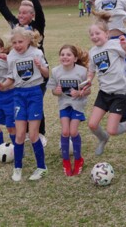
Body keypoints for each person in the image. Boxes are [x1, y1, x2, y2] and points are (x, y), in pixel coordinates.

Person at [0, 0, 48, 143]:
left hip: (38, 69)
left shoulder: (37, 26)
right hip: (19, 69)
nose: (20, 15)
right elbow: (2, 7)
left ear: (32, 15)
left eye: (25, 13)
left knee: (36, 101)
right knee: (21, 100)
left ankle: (40, 134)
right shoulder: (14, 25)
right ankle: (25, 132)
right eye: (19, 12)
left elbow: (39, 10)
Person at [0, 27, 49, 181]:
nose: (17, 45)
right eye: (14, 42)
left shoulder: (36, 53)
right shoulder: (12, 56)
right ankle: (17, 168)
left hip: (34, 94)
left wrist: (40, 67)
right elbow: (11, 78)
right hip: (18, 94)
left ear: (28, 41)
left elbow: (47, 74)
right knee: (19, 135)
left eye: (20, 42)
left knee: (32, 134)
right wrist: (3, 85)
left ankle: (41, 167)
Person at [85, 11, 126, 156]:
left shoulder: (115, 44)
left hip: (119, 93)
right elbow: (92, 71)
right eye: (92, 35)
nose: (95, 37)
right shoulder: (93, 52)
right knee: (92, 124)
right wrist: (89, 80)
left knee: (112, 130)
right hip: (103, 93)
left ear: (106, 34)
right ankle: (103, 139)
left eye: (98, 33)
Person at [46, 45, 91, 176]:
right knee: (65, 132)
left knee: (73, 131)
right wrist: (56, 91)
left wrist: (79, 93)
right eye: (62, 54)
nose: (65, 57)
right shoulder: (55, 71)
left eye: (68, 55)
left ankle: (78, 160)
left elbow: (88, 90)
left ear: (75, 58)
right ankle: (66, 161)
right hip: (64, 104)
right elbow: (53, 90)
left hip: (78, 105)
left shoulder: (82, 71)